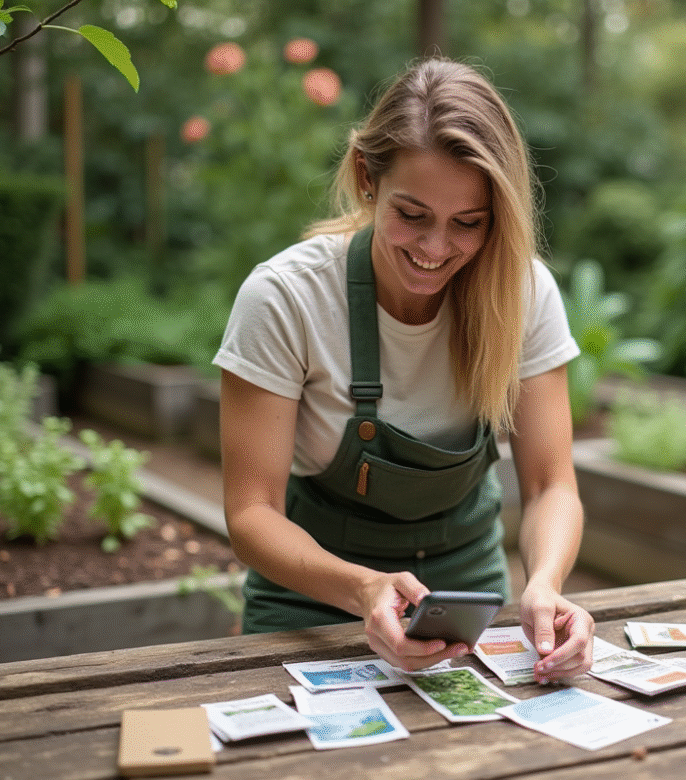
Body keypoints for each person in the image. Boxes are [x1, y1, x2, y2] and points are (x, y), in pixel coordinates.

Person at [213, 56, 593, 683]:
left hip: (469, 607)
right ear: (367, 178)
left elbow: (553, 484)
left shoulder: (524, 294)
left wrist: (545, 585)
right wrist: (365, 590)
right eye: (412, 215)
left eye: (468, 224)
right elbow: (252, 514)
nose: (435, 248)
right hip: (314, 607)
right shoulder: (286, 298)